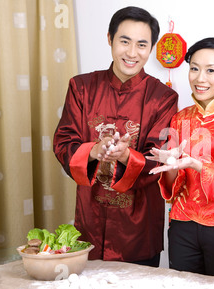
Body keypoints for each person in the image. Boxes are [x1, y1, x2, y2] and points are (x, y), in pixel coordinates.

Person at [53, 7, 178, 267]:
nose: (132, 53)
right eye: (124, 41)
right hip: (90, 220)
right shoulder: (81, 87)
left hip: (139, 228)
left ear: (151, 48)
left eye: (142, 44)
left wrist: (126, 156)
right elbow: (64, 141)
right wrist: (92, 151)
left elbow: (162, 159)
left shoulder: (163, 98)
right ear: (110, 39)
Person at [147, 37, 214, 277]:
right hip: (181, 225)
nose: (200, 78)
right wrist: (171, 166)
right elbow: (173, 188)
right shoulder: (180, 118)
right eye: (194, 68)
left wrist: (198, 165)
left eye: (210, 70)